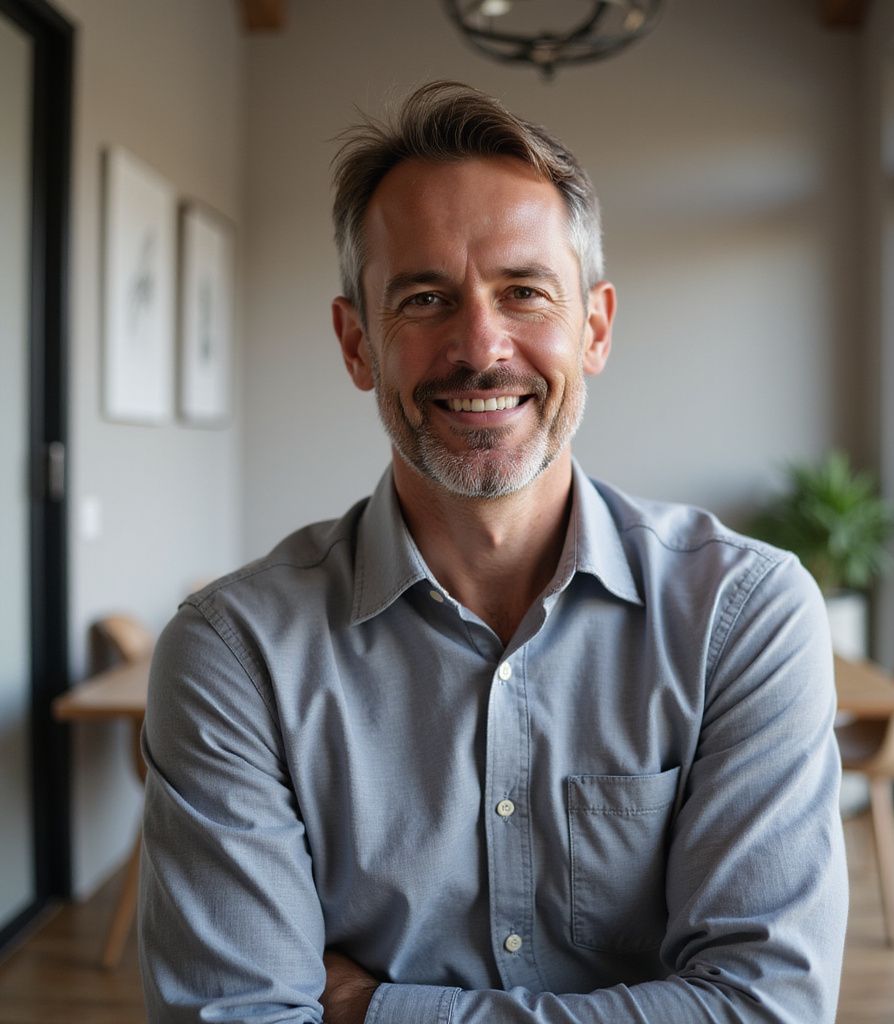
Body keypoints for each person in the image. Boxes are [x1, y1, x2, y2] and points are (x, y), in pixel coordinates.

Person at [139, 81, 848, 1023]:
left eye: (524, 292)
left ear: (594, 328)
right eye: (425, 297)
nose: (480, 346)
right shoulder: (236, 655)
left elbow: (767, 1009)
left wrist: (368, 1008)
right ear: (357, 344)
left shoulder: (743, 614)